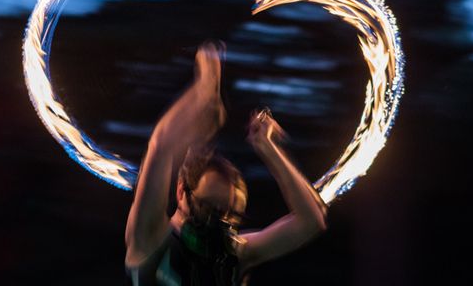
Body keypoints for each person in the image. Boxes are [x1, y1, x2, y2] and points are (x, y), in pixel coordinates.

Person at [125, 41, 328, 285]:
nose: (216, 222)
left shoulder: (235, 255)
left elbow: (311, 221)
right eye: (207, 207)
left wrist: (269, 148)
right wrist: (204, 89)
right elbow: (160, 146)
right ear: (181, 192)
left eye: (228, 214)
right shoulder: (151, 237)